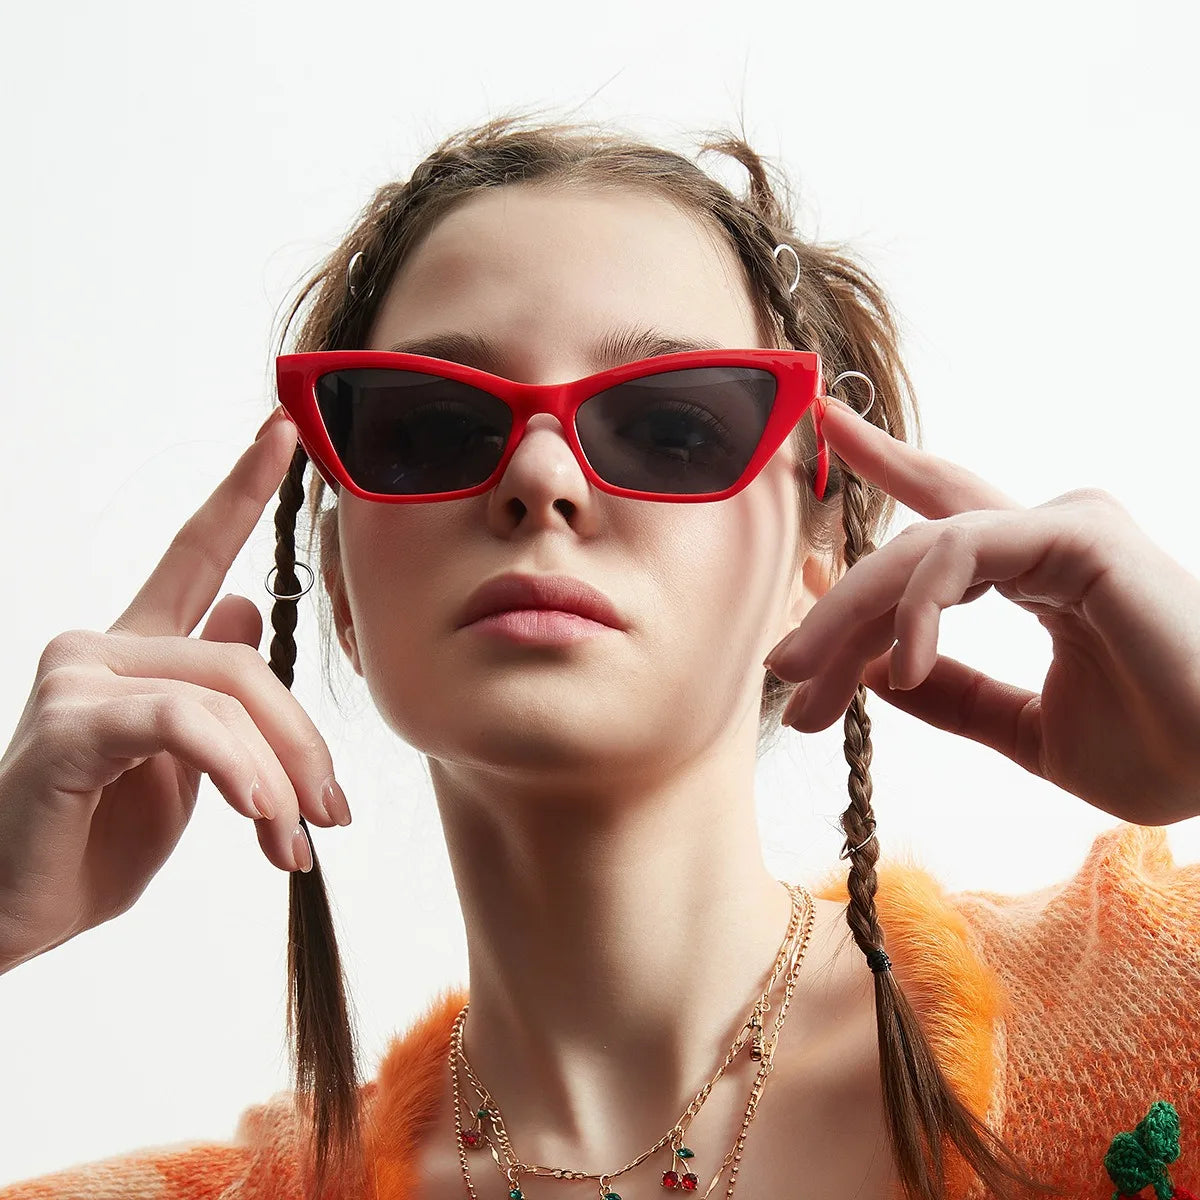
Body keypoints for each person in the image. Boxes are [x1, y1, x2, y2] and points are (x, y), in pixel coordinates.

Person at [1, 115, 1198, 1200]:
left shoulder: (1154, 997)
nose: (539, 478)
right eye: (430, 428)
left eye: (676, 425)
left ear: (818, 556)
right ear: (346, 593)